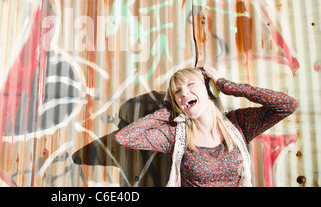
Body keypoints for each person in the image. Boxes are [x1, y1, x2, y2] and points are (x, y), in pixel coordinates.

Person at [114, 65, 298, 187]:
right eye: (177, 92)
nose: (184, 93)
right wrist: (167, 111)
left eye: (190, 84)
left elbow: (287, 105)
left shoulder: (239, 124)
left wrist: (228, 86)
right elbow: (124, 137)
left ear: (210, 90)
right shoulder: (176, 136)